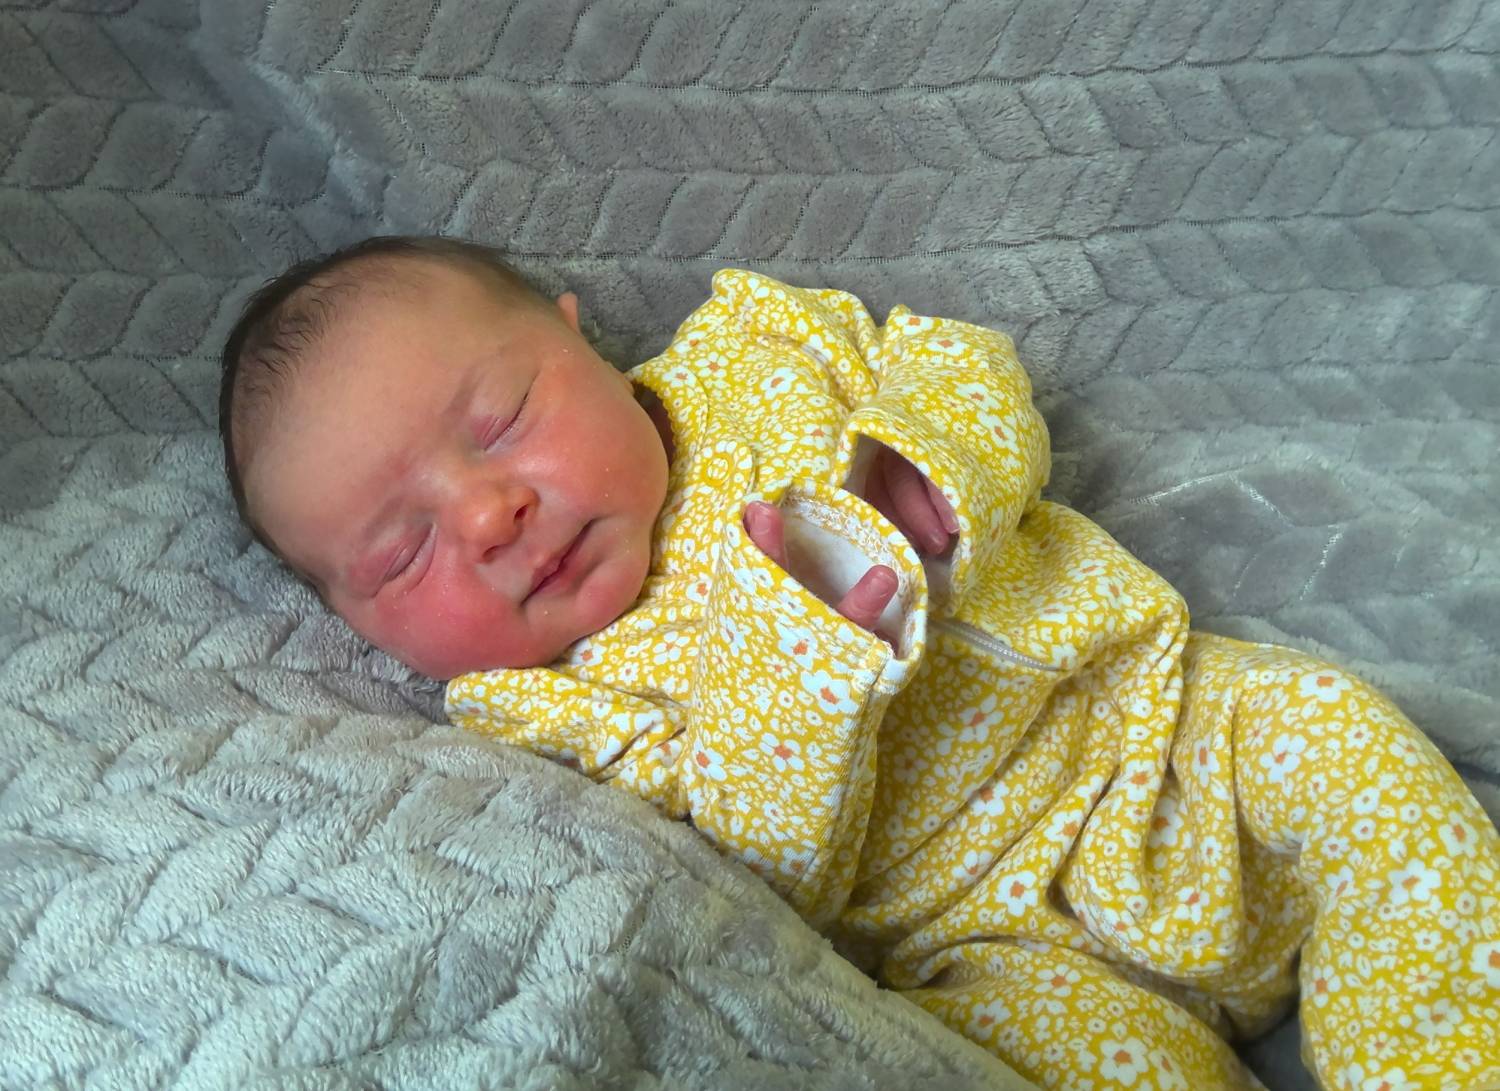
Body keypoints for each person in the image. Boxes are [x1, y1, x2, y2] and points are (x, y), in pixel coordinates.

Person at [220, 235, 1500, 1091]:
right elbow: (760, 877)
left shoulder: (749, 352)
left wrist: (924, 456)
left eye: (502, 421)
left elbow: (960, 359)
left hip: (1151, 733)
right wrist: (796, 664)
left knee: (1351, 754)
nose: (489, 513)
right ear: (363, 627)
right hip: (979, 951)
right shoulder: (534, 712)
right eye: (403, 552)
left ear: (583, 343)